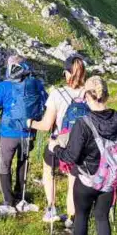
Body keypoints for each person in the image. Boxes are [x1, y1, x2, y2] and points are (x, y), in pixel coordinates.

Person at [54, 76, 117, 235]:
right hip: (110, 181)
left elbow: (71, 156)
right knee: (101, 218)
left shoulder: (83, 123)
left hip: (86, 179)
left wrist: (55, 148)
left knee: (82, 214)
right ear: (106, 94)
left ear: (86, 96)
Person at [27, 53, 89, 224]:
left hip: (58, 143)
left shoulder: (57, 93)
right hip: (82, 145)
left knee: (49, 172)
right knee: (73, 180)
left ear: (67, 74)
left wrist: (30, 122)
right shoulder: (89, 93)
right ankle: (72, 218)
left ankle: (51, 208)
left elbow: (46, 125)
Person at [0, 54, 48, 209]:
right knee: (23, 161)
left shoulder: (3, 86)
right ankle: (21, 196)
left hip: (8, 132)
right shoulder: (36, 84)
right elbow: (46, 102)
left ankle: (8, 201)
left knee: (5, 164)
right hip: (29, 131)